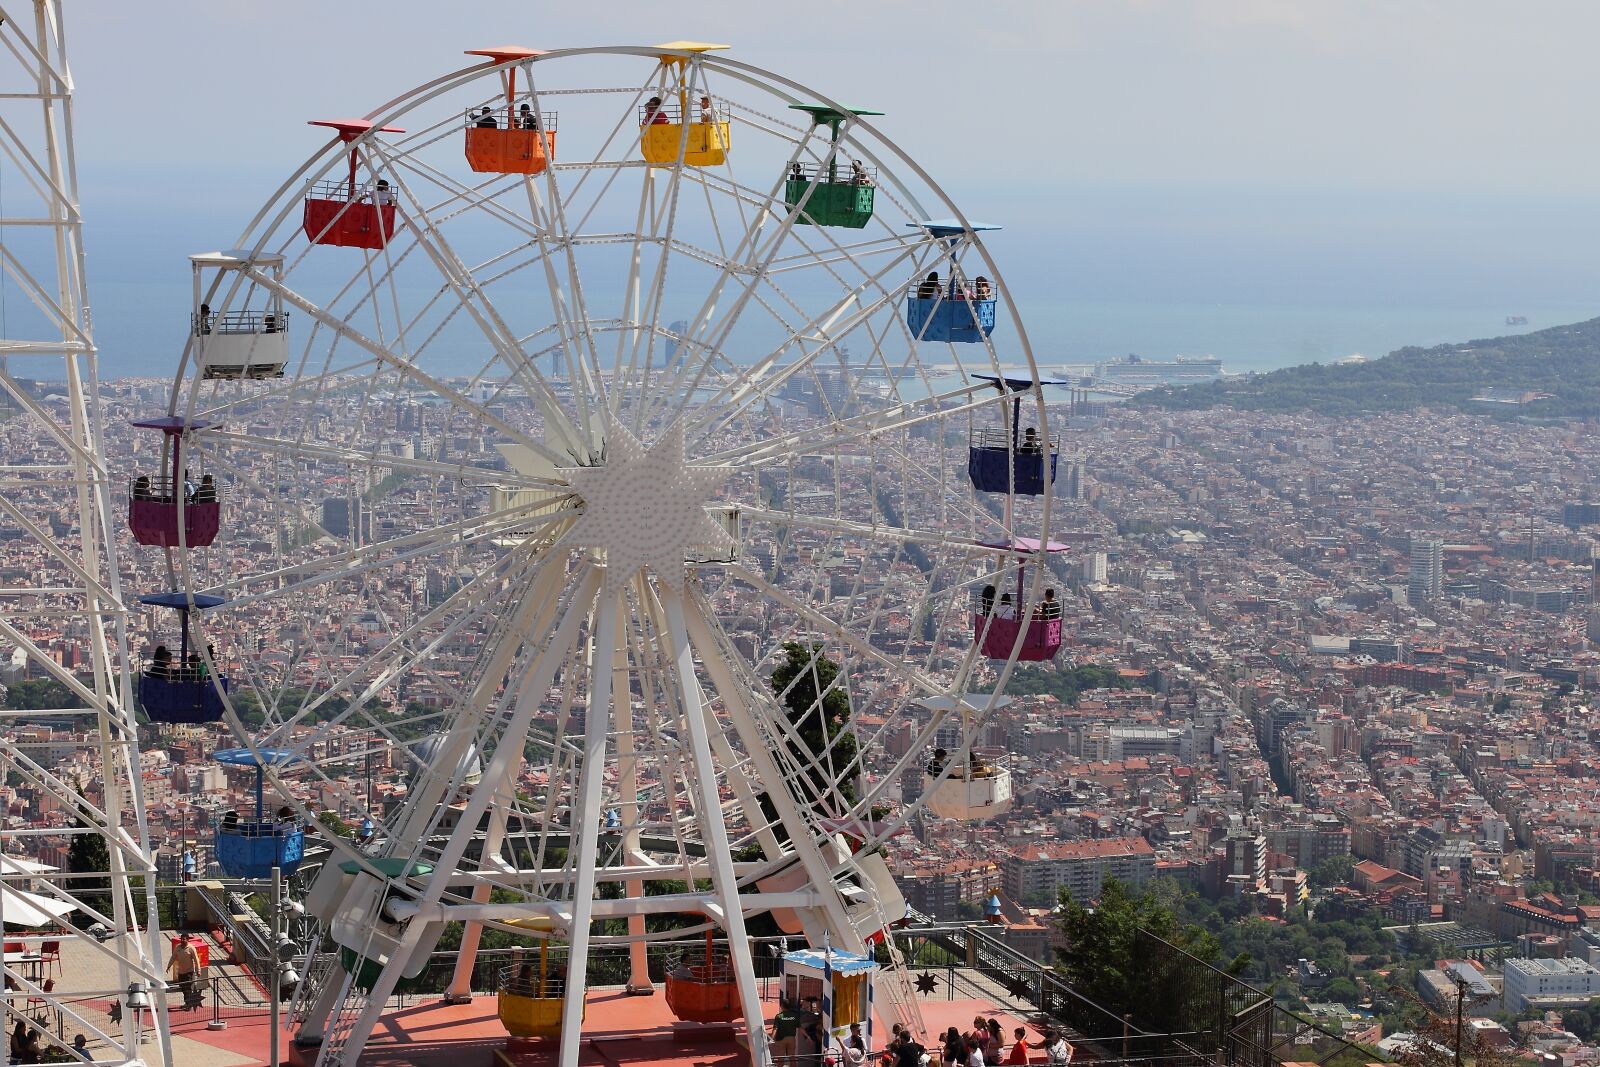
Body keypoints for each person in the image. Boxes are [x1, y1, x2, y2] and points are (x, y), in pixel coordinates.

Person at [167, 936, 200, 1011]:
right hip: (180, 972)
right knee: (183, 988)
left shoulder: (191, 948)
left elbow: (196, 960)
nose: (182, 940)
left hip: (189, 972)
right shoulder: (177, 947)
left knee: (187, 988)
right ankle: (187, 1003)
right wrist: (169, 966)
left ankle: (189, 1005)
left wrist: (198, 970)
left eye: (184, 939)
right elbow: (173, 957)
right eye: (181, 939)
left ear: (187, 940)